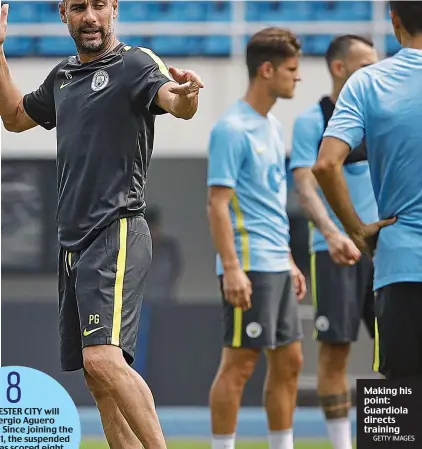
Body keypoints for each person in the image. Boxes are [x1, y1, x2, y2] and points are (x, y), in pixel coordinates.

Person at [0, 0, 203, 448]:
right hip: (72, 243)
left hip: (117, 229)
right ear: (63, 15)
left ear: (113, 9)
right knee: (97, 378)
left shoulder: (134, 62)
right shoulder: (63, 76)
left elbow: (174, 101)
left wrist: (186, 96)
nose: (89, 16)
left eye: (97, 6)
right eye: (78, 8)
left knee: (104, 360)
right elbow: (14, 118)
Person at [207, 27, 307, 449]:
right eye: (290, 69)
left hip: (274, 263)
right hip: (248, 266)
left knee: (290, 362)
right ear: (266, 70)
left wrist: (287, 258)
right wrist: (232, 268)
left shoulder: (271, 126)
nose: (297, 78)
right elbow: (216, 204)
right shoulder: (231, 128)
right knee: (240, 366)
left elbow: (269, 204)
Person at [312, 1, 422, 381]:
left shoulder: (368, 81)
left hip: (399, 263)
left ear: (394, 20)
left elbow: (326, 165)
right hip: (397, 264)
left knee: (399, 410)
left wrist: (357, 230)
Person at [289, 35, 378, 449]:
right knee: (335, 351)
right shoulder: (313, 120)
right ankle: (343, 445)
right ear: (339, 68)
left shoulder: (383, 117)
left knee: (398, 351)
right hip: (335, 253)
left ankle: (390, 437)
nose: (373, 73)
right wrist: (332, 233)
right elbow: (306, 185)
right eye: (364, 65)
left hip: (387, 253)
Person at [144, 205, 183, 302]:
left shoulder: (169, 247)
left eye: (153, 229)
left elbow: (177, 271)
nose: (151, 233)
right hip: (142, 302)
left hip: (165, 299)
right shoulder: (136, 249)